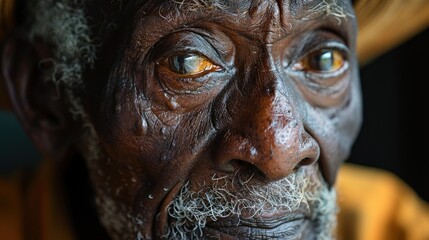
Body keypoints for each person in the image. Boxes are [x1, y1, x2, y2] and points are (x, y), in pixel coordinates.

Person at [0, 0, 429, 239]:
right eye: (186, 63)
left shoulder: (389, 227)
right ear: (48, 99)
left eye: (323, 58)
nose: (278, 150)